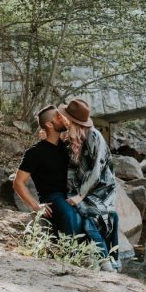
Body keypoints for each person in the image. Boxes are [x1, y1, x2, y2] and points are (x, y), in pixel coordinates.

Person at [58, 98, 120, 271]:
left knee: (89, 222)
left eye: (66, 119)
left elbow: (96, 172)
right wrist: (71, 192)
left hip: (102, 190)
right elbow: (71, 167)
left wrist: (80, 197)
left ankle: (106, 262)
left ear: (73, 121)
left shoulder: (95, 137)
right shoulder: (75, 136)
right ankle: (112, 259)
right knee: (102, 217)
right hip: (82, 188)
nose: (64, 121)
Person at [13, 105, 83, 236]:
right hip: (53, 197)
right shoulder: (34, 152)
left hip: (72, 193)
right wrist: (36, 206)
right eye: (58, 116)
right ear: (49, 124)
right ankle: (73, 254)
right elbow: (18, 183)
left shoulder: (67, 146)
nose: (62, 118)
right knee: (70, 215)